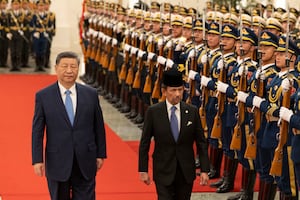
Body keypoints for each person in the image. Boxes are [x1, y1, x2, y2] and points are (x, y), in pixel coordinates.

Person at [31, 51, 107, 200]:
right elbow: (37, 131)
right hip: (57, 160)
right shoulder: (43, 96)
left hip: (85, 159)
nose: (69, 71)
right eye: (64, 66)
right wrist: (37, 159)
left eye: (73, 66)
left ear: (79, 68)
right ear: (56, 68)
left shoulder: (90, 94)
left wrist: (100, 153)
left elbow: (98, 126)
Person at [138, 68, 210, 200]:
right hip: (163, 169)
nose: (177, 94)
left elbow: (201, 142)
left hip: (185, 172)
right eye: (173, 90)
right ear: (164, 91)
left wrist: (205, 169)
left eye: (180, 90)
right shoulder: (153, 112)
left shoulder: (192, 111)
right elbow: (145, 142)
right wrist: (143, 169)